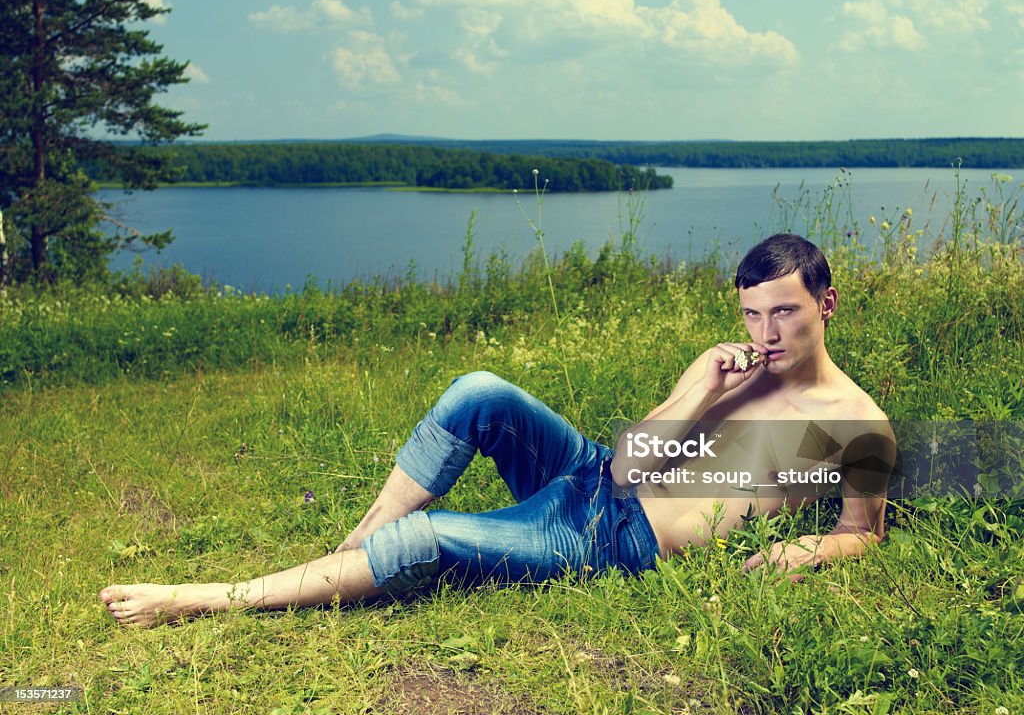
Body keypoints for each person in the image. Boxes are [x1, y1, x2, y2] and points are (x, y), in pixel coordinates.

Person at [100, 234, 896, 628]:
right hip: (596, 477)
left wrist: (806, 547)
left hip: (612, 543)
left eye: (784, 312)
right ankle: (356, 550)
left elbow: (863, 534)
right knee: (479, 390)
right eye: (752, 313)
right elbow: (626, 465)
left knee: (433, 540)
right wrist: (698, 389)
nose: (766, 332)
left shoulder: (857, 427)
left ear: (825, 306)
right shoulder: (727, 367)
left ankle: (199, 600)